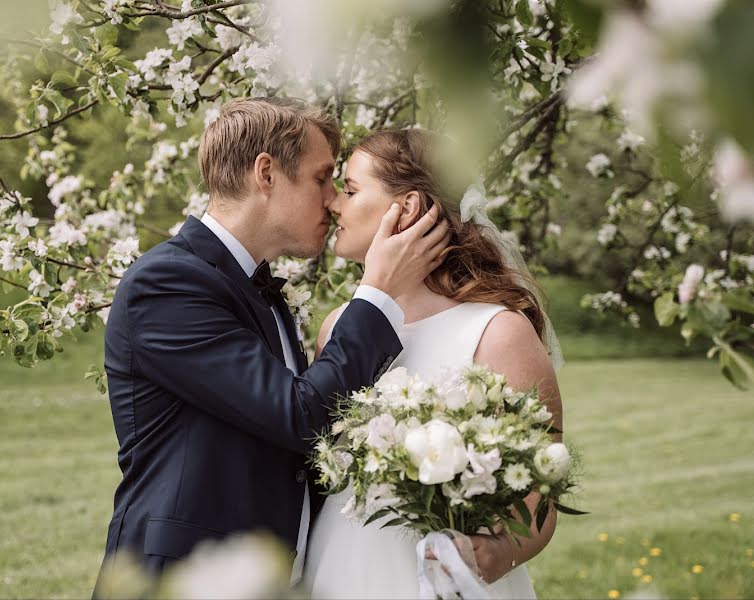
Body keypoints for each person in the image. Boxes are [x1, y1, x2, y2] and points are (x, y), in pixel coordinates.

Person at [93, 98, 449, 595]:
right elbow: (300, 416)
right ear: (266, 173)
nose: (331, 199)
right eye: (321, 178)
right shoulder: (168, 282)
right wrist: (378, 293)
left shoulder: (256, 287)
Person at [302, 128, 564, 599]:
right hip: (338, 571)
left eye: (351, 189)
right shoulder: (336, 327)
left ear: (406, 208)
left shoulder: (497, 332)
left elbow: (539, 495)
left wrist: (500, 552)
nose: (334, 204)